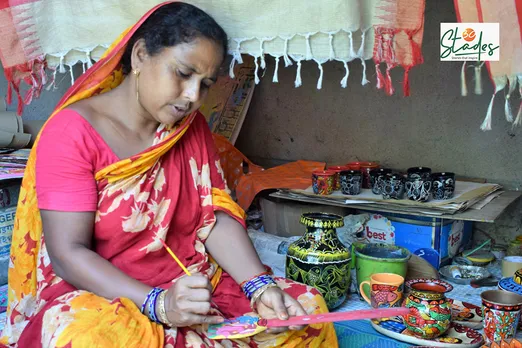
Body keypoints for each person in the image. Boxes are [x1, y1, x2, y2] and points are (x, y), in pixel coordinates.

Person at [0, 2, 338, 347]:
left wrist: (258, 286)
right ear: (140, 56)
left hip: (193, 286)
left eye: (204, 84)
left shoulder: (190, 130)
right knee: (85, 338)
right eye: (182, 73)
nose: (193, 96)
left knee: (304, 312)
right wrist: (159, 304)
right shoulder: (72, 132)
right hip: (107, 293)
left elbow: (214, 215)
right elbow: (68, 253)